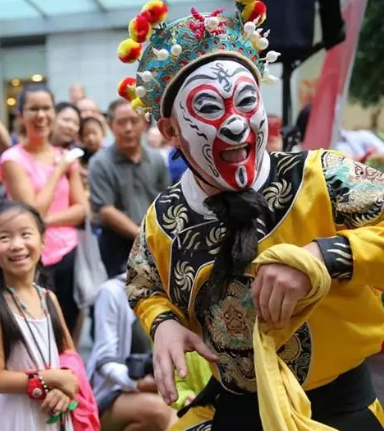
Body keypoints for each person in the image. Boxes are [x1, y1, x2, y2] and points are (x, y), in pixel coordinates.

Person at [122, 1, 384, 429]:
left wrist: (324, 257)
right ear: (171, 131)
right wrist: (163, 322)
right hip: (239, 412)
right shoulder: (165, 218)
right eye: (208, 108)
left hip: (338, 413)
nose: (236, 126)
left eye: (246, 101)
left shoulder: (322, 177)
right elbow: (141, 281)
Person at [0, 201, 79, 431]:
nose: (16, 245)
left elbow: (69, 352)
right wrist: (51, 379)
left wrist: (64, 385)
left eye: (26, 234)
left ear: (43, 241)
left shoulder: (48, 298)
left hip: (52, 407)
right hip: (14, 416)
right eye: (4, 238)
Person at [0, 85, 88, 339]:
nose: (41, 116)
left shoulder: (65, 156)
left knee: (69, 330)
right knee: (37, 330)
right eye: (34, 109)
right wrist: (58, 171)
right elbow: (31, 211)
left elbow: (82, 210)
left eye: (46, 108)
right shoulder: (13, 159)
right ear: (21, 115)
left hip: (68, 253)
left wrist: (44, 221)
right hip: (30, 256)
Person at [88, 99, 171, 278]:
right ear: (110, 126)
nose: (128, 128)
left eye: (134, 121)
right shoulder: (100, 163)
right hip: (118, 245)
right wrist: (142, 238)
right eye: (121, 122)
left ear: (144, 122)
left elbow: (167, 199)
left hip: (157, 241)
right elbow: (106, 210)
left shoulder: (156, 159)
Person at [87, 275, 178, 431]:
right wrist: (137, 384)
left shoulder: (174, 291)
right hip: (112, 391)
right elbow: (103, 361)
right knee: (156, 411)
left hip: (162, 389)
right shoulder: (112, 291)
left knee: (181, 420)